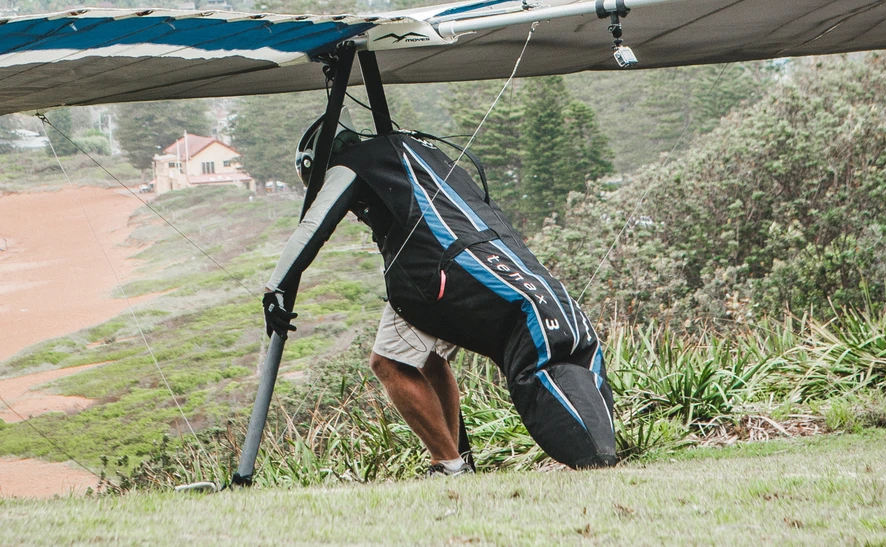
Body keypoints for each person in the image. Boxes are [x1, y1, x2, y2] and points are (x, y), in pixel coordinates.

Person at [261, 121, 618, 474]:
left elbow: (313, 226)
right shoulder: (414, 148)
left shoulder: (352, 164)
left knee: (387, 363)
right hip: (481, 262)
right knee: (430, 360)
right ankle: (458, 460)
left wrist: (275, 289)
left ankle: (447, 462)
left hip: (436, 273)